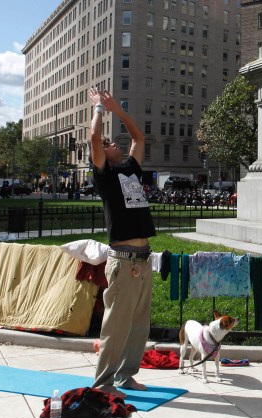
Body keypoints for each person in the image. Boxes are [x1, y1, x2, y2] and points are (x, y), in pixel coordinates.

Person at [88, 87, 156, 399]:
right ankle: (103, 383)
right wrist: (100, 110)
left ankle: (127, 376)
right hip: (124, 259)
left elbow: (139, 138)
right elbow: (93, 139)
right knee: (116, 325)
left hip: (143, 257)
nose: (114, 144)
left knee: (139, 323)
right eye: (109, 144)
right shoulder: (104, 173)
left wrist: (119, 110)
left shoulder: (130, 167)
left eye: (115, 143)